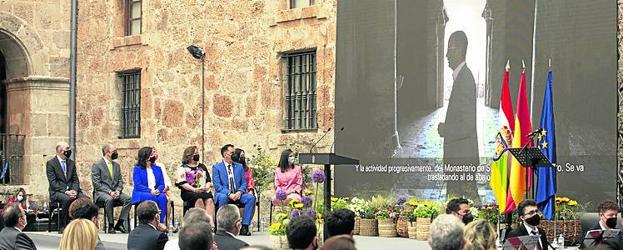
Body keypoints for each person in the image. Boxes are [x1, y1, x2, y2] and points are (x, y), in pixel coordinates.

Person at [437, 30, 479, 201]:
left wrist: (446, 130)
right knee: (458, 206)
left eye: (450, 49)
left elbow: (468, 125)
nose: (446, 54)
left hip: (463, 160)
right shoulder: (461, 77)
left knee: (469, 204)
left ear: (460, 50)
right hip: (459, 158)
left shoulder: (465, 80)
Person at [212, 144, 256, 236]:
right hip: (223, 193)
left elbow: (244, 183)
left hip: (237, 193)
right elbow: (217, 186)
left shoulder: (239, 166)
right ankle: (222, 227)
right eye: (232, 153)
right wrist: (229, 194)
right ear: (225, 154)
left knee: (251, 198)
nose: (234, 155)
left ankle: (244, 226)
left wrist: (239, 192)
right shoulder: (217, 167)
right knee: (223, 197)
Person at [46, 141, 86, 231]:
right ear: (60, 151)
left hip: (72, 190)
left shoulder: (71, 163)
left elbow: (75, 179)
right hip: (57, 192)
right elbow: (53, 182)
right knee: (67, 199)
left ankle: (82, 224)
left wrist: (74, 190)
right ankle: (64, 225)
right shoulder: (51, 164)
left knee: (85, 199)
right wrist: (66, 191)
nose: (69, 150)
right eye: (67, 149)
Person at [91, 144, 131, 233]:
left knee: (128, 199)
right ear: (107, 153)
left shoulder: (116, 165)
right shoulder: (97, 165)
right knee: (109, 199)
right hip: (101, 193)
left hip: (115, 191)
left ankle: (120, 223)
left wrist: (118, 190)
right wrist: (110, 192)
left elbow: (120, 181)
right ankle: (111, 225)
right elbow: (97, 184)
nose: (116, 153)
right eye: (114, 151)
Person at [176, 146, 215, 225]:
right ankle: (202, 224)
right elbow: (182, 183)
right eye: (195, 153)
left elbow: (208, 180)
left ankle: (211, 224)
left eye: (198, 153)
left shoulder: (202, 166)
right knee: (199, 199)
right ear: (189, 156)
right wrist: (194, 189)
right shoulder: (182, 168)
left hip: (202, 190)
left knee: (209, 199)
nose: (198, 155)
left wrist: (207, 186)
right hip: (189, 191)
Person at [131, 147, 168, 223]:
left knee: (162, 197)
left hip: (155, 192)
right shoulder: (137, 169)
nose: (154, 156)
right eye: (152, 154)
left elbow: (162, 184)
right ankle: (152, 222)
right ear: (146, 156)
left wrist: (158, 190)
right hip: (141, 192)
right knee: (152, 197)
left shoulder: (158, 168)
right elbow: (138, 185)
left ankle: (160, 222)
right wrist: (150, 191)